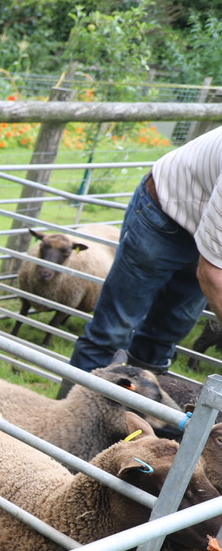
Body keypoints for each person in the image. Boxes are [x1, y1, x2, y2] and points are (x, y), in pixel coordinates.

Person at [65, 125, 222, 383]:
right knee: (113, 330)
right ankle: (74, 417)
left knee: (166, 334)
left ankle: (137, 416)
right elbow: (212, 273)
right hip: (164, 214)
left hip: (209, 233)